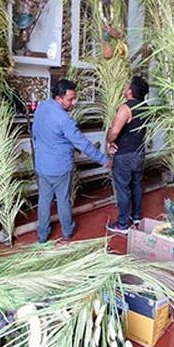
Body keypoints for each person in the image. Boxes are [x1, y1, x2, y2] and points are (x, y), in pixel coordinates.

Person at [32, 78, 111, 243]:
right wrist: (103, 159)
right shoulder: (64, 119)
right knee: (63, 200)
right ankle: (67, 230)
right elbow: (82, 144)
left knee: (44, 200)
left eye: (74, 98)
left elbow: (35, 132)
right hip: (59, 168)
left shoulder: (41, 107)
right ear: (59, 98)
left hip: (42, 165)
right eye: (70, 99)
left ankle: (42, 235)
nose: (73, 102)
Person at [104, 76, 148, 234]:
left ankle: (122, 224)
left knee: (122, 188)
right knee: (136, 184)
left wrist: (109, 140)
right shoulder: (146, 107)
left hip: (125, 155)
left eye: (127, 84)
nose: (125, 86)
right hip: (139, 153)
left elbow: (115, 131)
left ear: (130, 90)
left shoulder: (126, 108)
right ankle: (136, 217)